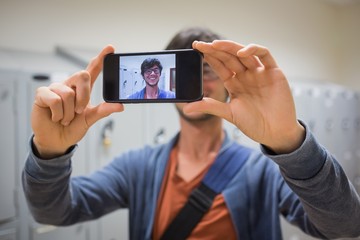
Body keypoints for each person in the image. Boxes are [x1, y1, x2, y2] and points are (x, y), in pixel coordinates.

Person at [22, 27, 360, 240]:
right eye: (186, 71)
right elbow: (54, 213)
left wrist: (291, 142)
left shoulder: (263, 172)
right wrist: (49, 155)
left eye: (208, 71)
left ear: (229, 86)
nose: (197, 84)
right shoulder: (137, 168)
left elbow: (345, 227)